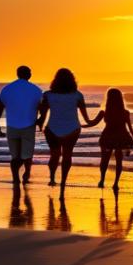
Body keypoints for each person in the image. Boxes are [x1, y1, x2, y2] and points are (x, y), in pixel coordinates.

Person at [36, 68, 95, 199]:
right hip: (72, 128)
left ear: (55, 80)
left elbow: (43, 115)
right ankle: (63, 182)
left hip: (52, 128)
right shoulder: (77, 95)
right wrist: (95, 120)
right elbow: (86, 119)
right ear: (72, 81)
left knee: (54, 154)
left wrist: (37, 123)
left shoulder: (48, 95)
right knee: (67, 155)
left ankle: (52, 178)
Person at [0, 65, 43, 187]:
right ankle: (26, 172)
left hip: (11, 126)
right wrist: (40, 121)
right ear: (29, 75)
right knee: (27, 155)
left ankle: (16, 177)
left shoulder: (7, 89)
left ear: (17, 74)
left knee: (15, 156)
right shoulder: (36, 90)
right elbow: (42, 107)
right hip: (29, 125)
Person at [86, 88, 133, 192]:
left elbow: (92, 123)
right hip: (121, 137)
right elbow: (130, 127)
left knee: (104, 160)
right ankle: (115, 183)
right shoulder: (125, 112)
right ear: (120, 99)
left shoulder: (104, 112)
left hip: (108, 137)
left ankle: (102, 180)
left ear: (108, 98)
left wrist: (80, 125)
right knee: (119, 161)